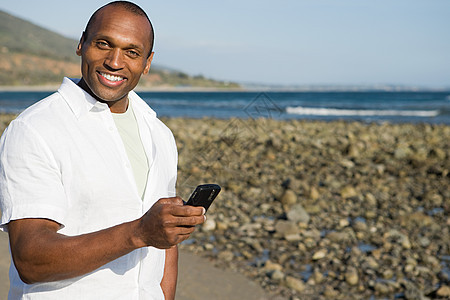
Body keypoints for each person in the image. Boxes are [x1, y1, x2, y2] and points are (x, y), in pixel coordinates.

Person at [0, 1, 206, 299]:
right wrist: (139, 232)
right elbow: (30, 260)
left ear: (147, 63)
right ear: (81, 44)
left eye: (132, 52)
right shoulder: (34, 129)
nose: (114, 61)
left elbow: (166, 242)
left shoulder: (159, 134)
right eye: (103, 44)